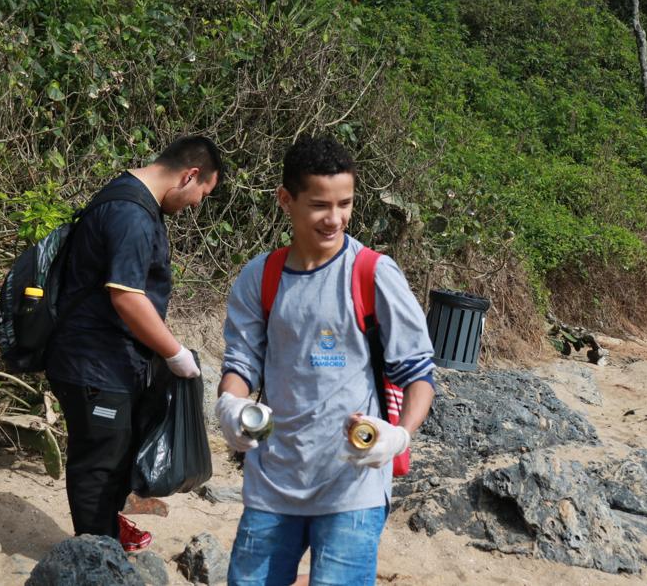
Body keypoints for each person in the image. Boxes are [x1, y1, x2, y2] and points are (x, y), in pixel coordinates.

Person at [216, 135, 436, 585]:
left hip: (351, 489)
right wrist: (230, 407)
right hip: (273, 485)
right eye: (319, 205)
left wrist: (397, 436)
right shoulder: (261, 276)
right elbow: (240, 366)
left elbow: (419, 375)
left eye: (345, 203)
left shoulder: (373, 272)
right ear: (286, 200)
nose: (334, 219)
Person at [46, 135, 223, 552]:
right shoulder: (130, 213)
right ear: (190, 175)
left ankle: (106, 531)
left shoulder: (129, 199)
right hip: (91, 363)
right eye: (202, 193)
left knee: (117, 449)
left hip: (108, 360)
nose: (197, 205)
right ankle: (95, 555)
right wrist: (175, 352)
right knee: (99, 463)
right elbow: (126, 296)